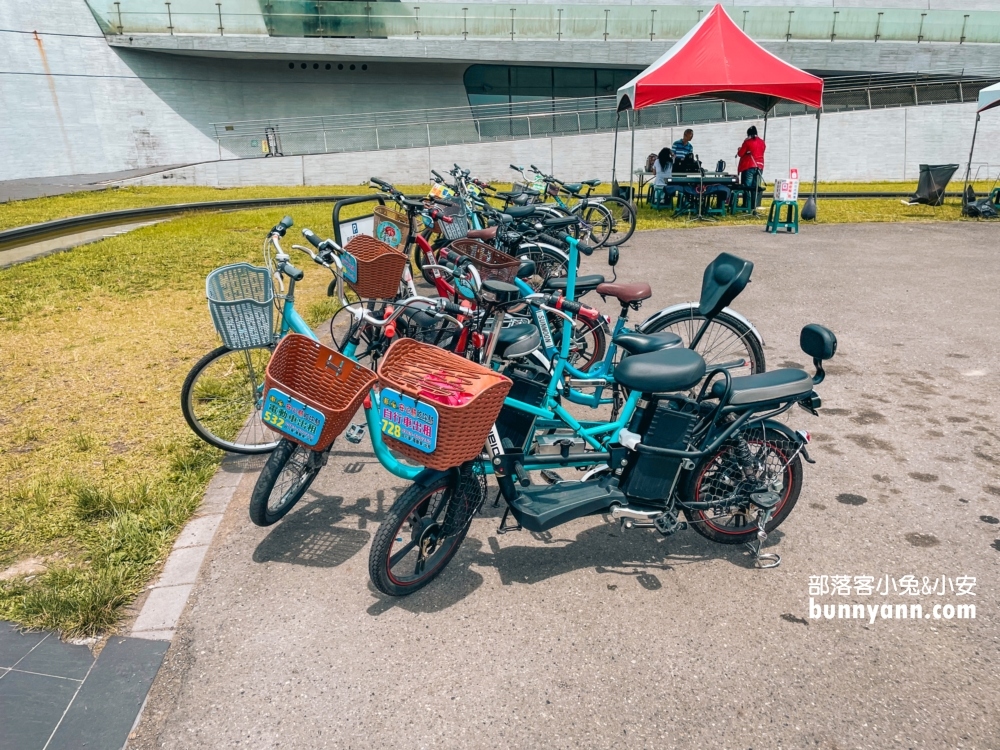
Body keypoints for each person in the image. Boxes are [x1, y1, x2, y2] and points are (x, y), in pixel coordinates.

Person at [736, 125, 766, 209]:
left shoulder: (747, 142)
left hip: (749, 166)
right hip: (760, 166)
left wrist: (740, 149)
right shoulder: (762, 142)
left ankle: (746, 206)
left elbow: (740, 154)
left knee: (747, 187)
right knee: (755, 187)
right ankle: (754, 206)